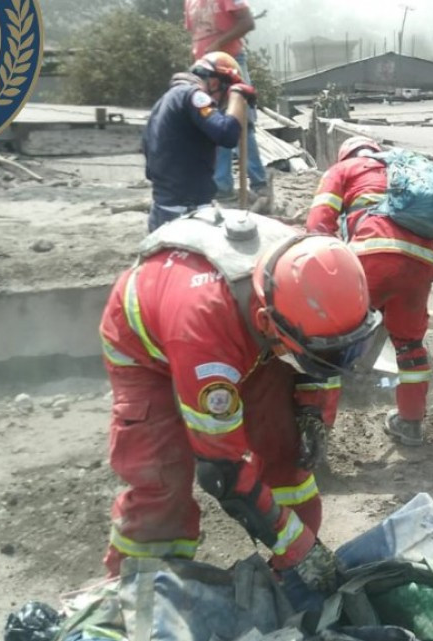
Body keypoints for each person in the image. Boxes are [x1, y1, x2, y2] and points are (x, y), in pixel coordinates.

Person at [98, 207, 381, 610]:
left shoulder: (308, 273)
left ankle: (286, 585)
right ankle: (133, 604)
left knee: (287, 449)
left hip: (250, 335)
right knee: (161, 483)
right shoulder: (205, 338)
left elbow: (328, 352)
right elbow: (223, 469)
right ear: (269, 322)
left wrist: (314, 411)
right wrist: (299, 545)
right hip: (149, 352)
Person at [306, 136, 433, 446]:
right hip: (421, 264)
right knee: (409, 345)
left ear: (345, 156)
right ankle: (411, 424)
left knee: (330, 342)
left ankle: (319, 427)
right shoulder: (401, 170)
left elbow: (317, 226)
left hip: (372, 257)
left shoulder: (343, 170)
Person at [143, 52, 257, 232]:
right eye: (224, 95)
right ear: (214, 83)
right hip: (185, 212)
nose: (219, 103)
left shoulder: (165, 101)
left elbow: (149, 164)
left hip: (163, 208)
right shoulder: (194, 96)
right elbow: (227, 135)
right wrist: (237, 95)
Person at [184, 0, 270, 202]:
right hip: (205, 69)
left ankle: (259, 184)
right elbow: (196, 34)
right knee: (214, 124)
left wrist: (217, 44)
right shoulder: (190, 2)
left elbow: (247, 22)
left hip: (228, 64)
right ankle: (222, 185)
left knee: (241, 124)